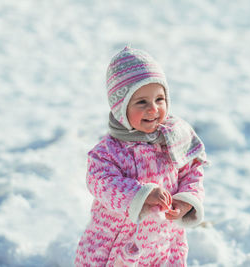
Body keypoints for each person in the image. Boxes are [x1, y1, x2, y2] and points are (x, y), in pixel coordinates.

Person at [75, 46, 207, 266]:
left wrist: (185, 201)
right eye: (141, 102)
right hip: (117, 245)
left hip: (164, 243)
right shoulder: (107, 152)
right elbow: (102, 183)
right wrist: (142, 194)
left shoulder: (173, 138)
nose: (153, 109)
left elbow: (192, 171)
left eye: (159, 99)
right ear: (120, 107)